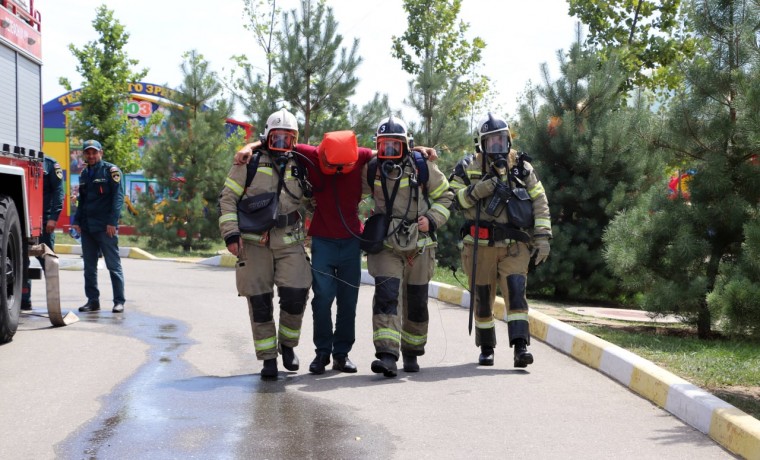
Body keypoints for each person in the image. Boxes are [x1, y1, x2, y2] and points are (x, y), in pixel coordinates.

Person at [235, 131, 439, 376]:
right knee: (322, 300)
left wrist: (417, 149)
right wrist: (250, 146)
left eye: (344, 166)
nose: (338, 169)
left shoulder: (360, 156)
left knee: (348, 302)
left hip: (351, 242)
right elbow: (276, 142)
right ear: (321, 155)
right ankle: (322, 353)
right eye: (331, 165)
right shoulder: (311, 154)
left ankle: (341, 355)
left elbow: (390, 149)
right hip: (323, 242)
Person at [449, 113, 552, 368]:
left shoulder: (521, 167)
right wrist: (477, 190)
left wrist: (543, 238)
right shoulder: (466, 167)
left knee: (516, 295)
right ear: (481, 144)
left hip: (514, 247)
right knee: (483, 298)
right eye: (491, 142)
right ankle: (486, 348)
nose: (497, 147)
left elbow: (540, 201)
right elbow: (451, 200)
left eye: (502, 141)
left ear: (508, 140)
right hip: (479, 247)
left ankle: (521, 347)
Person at [219, 108, 312, 379]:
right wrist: (231, 234)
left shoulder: (302, 164)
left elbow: (313, 200)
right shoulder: (247, 162)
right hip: (254, 242)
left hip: (290, 241)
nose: (282, 144)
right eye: (276, 138)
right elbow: (227, 200)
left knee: (296, 296)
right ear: (267, 137)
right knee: (259, 302)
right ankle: (268, 358)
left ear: (294, 140)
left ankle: (287, 345)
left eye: (288, 139)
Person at [362, 116, 453, 377]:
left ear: (406, 144)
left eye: (395, 146)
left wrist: (432, 219)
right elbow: (348, 191)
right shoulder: (371, 168)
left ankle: (412, 351)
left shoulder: (422, 166)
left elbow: (446, 196)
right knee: (386, 297)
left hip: (419, 245)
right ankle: (387, 355)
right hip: (386, 245)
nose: (389, 152)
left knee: (416, 301)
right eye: (384, 146)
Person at [73, 139, 126, 314]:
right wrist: (77, 221)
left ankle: (119, 301)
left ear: (100, 153)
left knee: (113, 265)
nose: (91, 155)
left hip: (105, 227)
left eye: (94, 152)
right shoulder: (84, 174)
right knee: (89, 267)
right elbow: (83, 201)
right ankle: (92, 301)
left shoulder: (111, 171)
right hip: (88, 227)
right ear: (84, 155)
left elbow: (118, 198)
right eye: (87, 152)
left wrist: (112, 222)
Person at [21, 155, 64, 310]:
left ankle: (53, 305)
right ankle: (24, 300)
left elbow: (59, 192)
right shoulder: (21, 158)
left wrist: (53, 218)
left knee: (48, 262)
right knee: (21, 262)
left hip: (45, 223)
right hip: (23, 222)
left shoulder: (51, 164)